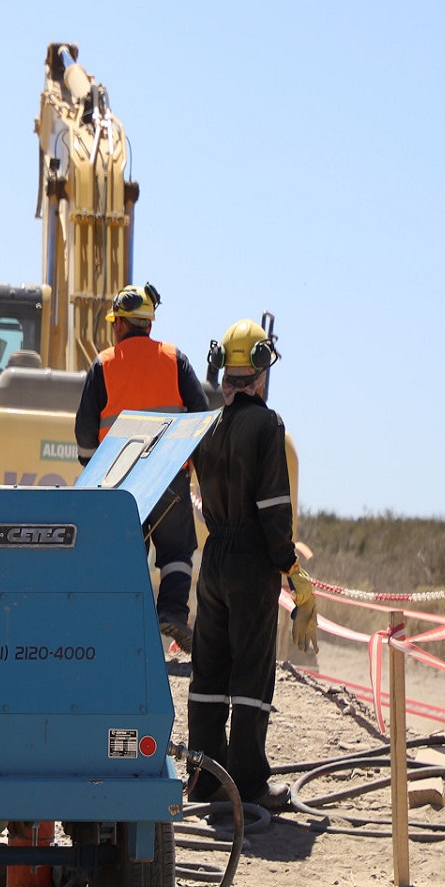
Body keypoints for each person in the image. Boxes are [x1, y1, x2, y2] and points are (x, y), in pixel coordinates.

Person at [186, 316, 315, 813]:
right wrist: (291, 568)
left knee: (209, 672)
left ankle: (203, 780)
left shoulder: (210, 427)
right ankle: (250, 785)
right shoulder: (267, 424)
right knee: (252, 676)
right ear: (260, 372)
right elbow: (273, 510)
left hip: (214, 558)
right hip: (250, 563)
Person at [74, 282, 209, 652]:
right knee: (177, 552)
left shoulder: (103, 365)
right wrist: (194, 470)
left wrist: (95, 470)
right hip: (168, 477)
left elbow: (85, 434)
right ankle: (171, 614)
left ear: (118, 324)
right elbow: (200, 420)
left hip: (119, 482)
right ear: (149, 324)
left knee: (123, 555)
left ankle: (119, 630)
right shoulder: (175, 359)